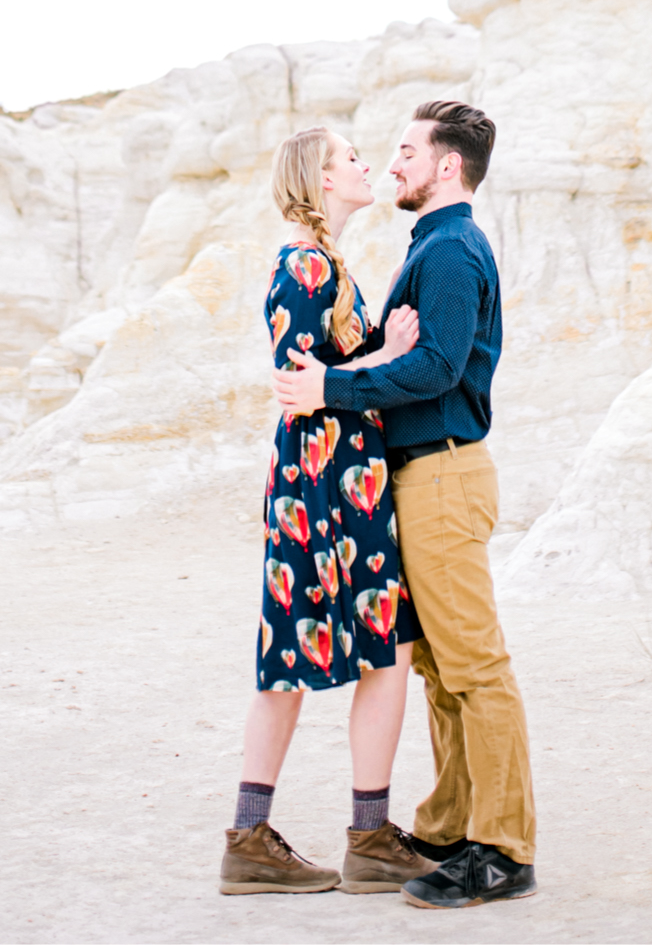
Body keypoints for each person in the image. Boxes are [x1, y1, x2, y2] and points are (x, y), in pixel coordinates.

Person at [277, 99, 538, 910]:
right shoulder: (431, 243)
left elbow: (438, 368)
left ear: (447, 165)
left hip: (444, 476)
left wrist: (333, 387)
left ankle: (504, 849)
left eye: (406, 151)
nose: (392, 164)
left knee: (474, 665)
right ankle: (453, 825)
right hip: (419, 479)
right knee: (438, 666)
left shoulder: (453, 248)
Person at [220, 125, 443, 897]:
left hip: (328, 480)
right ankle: (361, 838)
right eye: (350, 158)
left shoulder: (323, 262)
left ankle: (257, 839)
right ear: (318, 177)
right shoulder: (305, 265)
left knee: (306, 654)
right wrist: (386, 356)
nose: (365, 165)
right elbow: (300, 385)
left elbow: (324, 372)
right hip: (328, 482)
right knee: (378, 650)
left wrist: (373, 352)